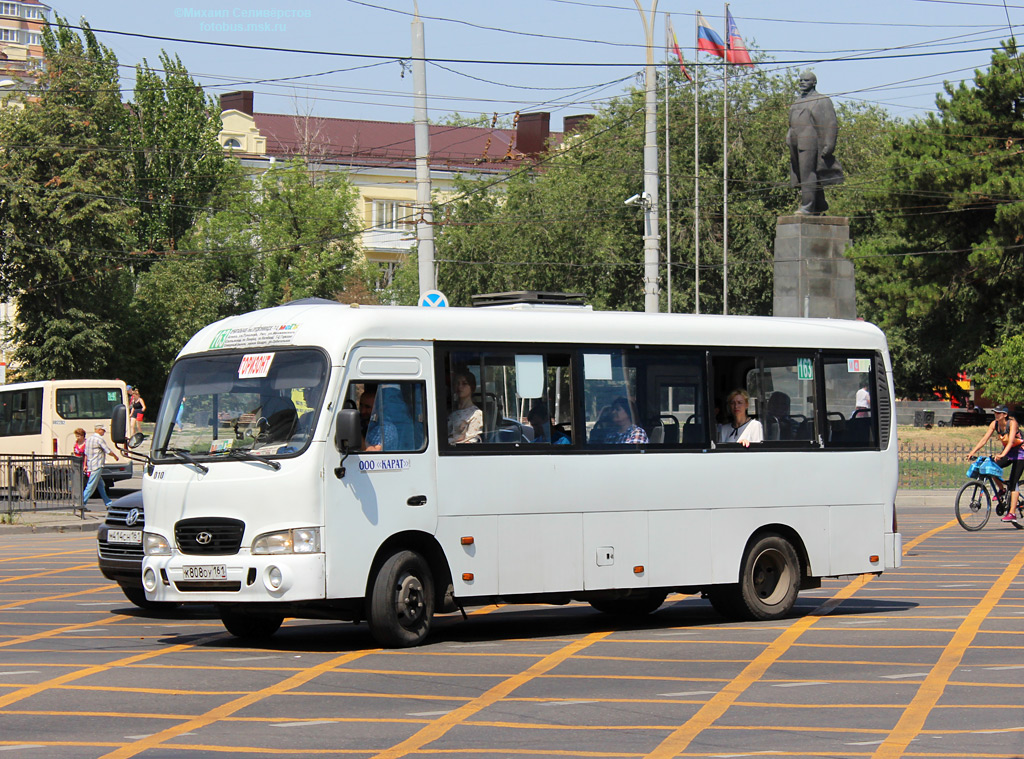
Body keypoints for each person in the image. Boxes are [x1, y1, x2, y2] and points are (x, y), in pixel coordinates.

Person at [787, 70, 844, 215]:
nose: (802, 83)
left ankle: (808, 206)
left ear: (814, 83)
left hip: (810, 141)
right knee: (801, 173)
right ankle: (819, 203)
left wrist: (829, 144)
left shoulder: (822, 100)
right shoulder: (797, 101)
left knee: (808, 173)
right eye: (800, 80)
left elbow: (831, 123)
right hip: (795, 141)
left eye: (806, 80)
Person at [966, 404, 1024, 522]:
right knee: (990, 467)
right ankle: (1002, 489)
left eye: (998, 413)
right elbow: (984, 439)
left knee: (1013, 482)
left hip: (1021, 454)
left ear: (1005, 415)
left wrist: (1002, 454)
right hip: (1008, 453)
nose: (995, 415)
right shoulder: (994, 424)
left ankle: (1012, 513)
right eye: (995, 412)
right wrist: (972, 452)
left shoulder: (1012, 423)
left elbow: (1011, 441)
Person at [82, 423, 119, 509]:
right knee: (91, 485)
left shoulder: (89, 439)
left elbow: (86, 453)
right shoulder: (99, 439)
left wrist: (86, 464)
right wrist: (115, 456)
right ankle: (81, 503)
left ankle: (108, 503)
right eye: (103, 430)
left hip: (91, 464)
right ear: (98, 430)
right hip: (97, 465)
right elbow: (107, 450)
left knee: (101, 485)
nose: (104, 432)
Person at [448, 370, 483, 444]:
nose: (460, 387)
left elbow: (471, 442)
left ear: (472, 387)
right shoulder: (452, 413)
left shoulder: (476, 414)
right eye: (457, 383)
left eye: (464, 384)